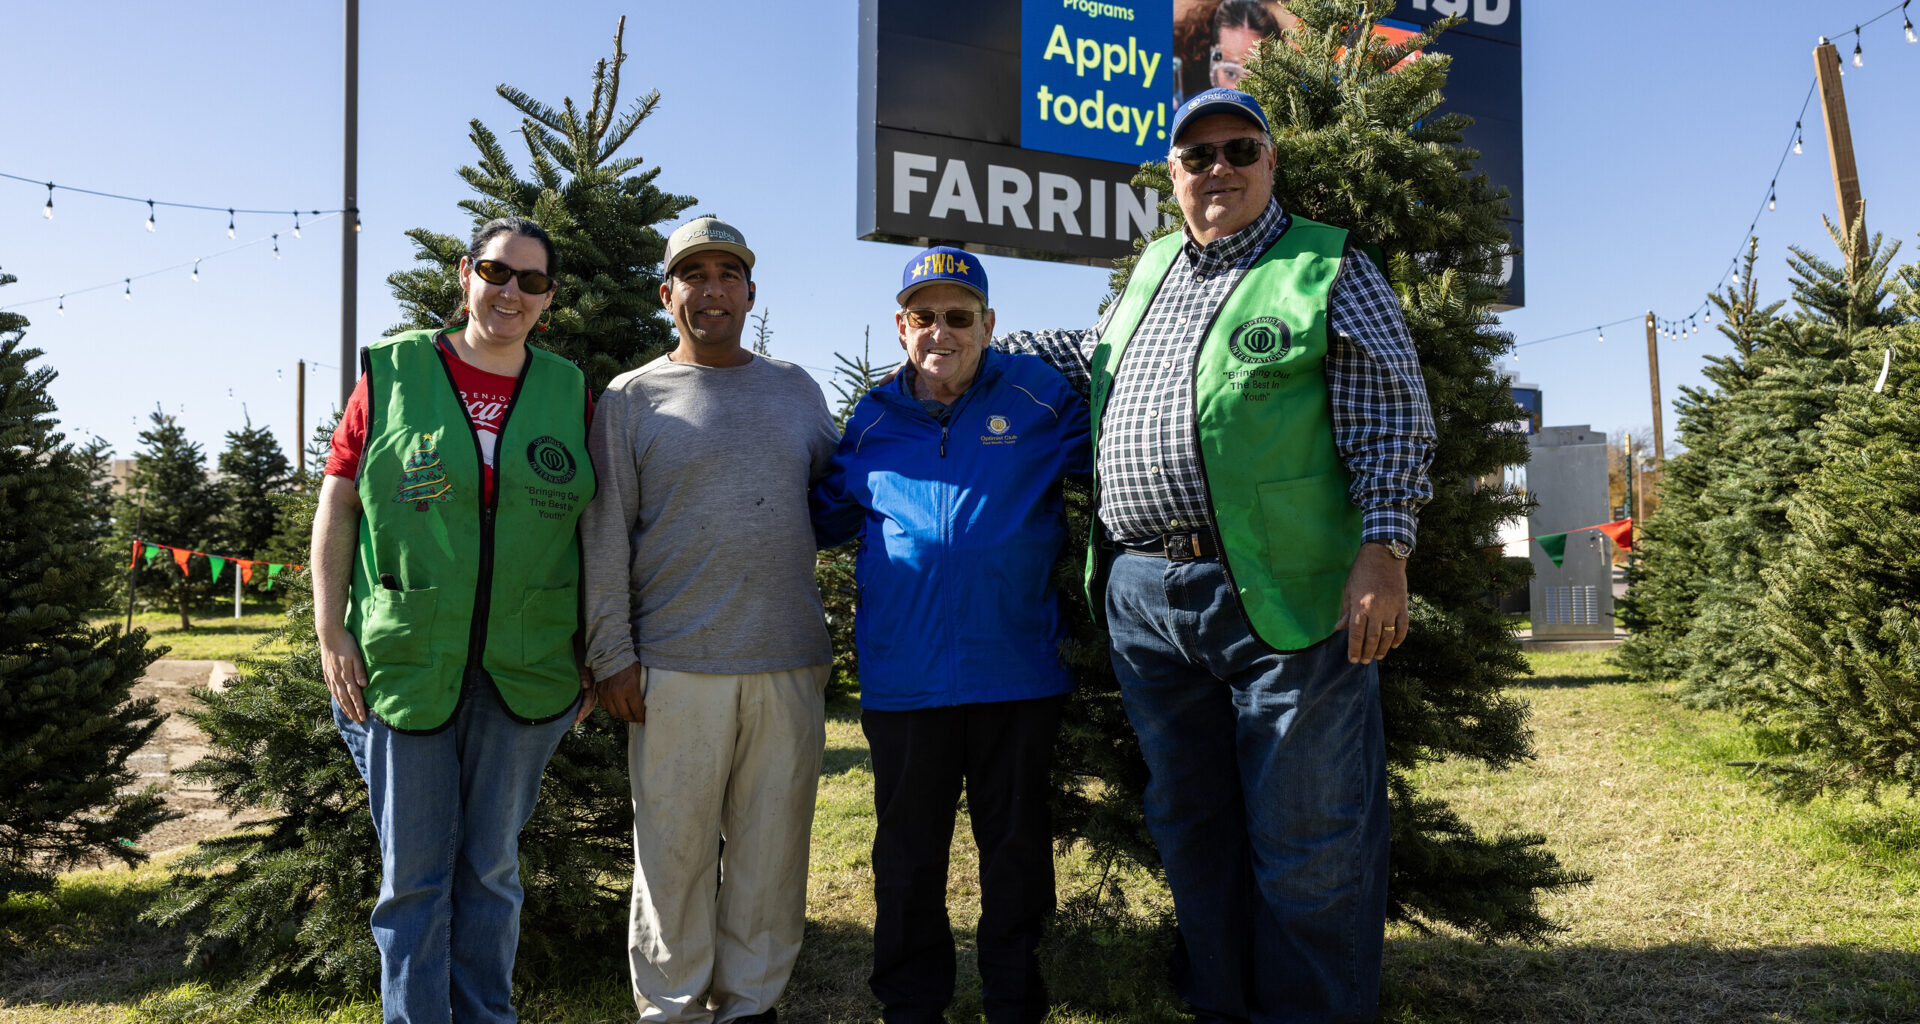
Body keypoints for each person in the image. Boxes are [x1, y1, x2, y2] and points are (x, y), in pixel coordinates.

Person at [999, 87, 1437, 1024]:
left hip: (1289, 594)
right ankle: (1224, 1006)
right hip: (1145, 597)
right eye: (1198, 157)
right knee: (1191, 828)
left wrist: (1385, 552)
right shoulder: (1154, 268)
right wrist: (983, 337)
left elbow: (1393, 414)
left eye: (1240, 150)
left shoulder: (1326, 265)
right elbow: (1095, 356)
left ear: (1270, 163)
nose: (1219, 170)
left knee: (1309, 839)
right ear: (1174, 176)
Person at [314, 216, 597, 1024]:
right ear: (465, 273)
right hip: (406, 661)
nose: (511, 293)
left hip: (527, 662)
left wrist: (592, 643)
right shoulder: (397, 368)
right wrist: (329, 628)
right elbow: (338, 500)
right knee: (412, 881)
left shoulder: (567, 389)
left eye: (532, 282)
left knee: (492, 873)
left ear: (548, 299)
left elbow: (592, 525)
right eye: (497, 272)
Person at [811, 248, 1092, 1024]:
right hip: (905, 681)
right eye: (923, 316)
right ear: (901, 326)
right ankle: (910, 1004)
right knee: (906, 856)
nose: (941, 330)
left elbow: (1120, 447)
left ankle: (1014, 1001)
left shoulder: (1041, 399)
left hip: (1019, 672)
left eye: (959, 315)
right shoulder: (868, 419)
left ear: (988, 326)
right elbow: (825, 513)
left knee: (1016, 856)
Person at [581, 216, 838, 1024]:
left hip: (787, 659)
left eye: (729, 274)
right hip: (672, 667)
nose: (713, 288)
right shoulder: (630, 399)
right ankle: (671, 1007)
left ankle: (752, 1004)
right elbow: (604, 532)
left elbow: (838, 501)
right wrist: (612, 652)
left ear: (751, 294)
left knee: (772, 852)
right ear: (668, 295)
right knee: (674, 855)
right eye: (695, 275)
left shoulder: (797, 390)